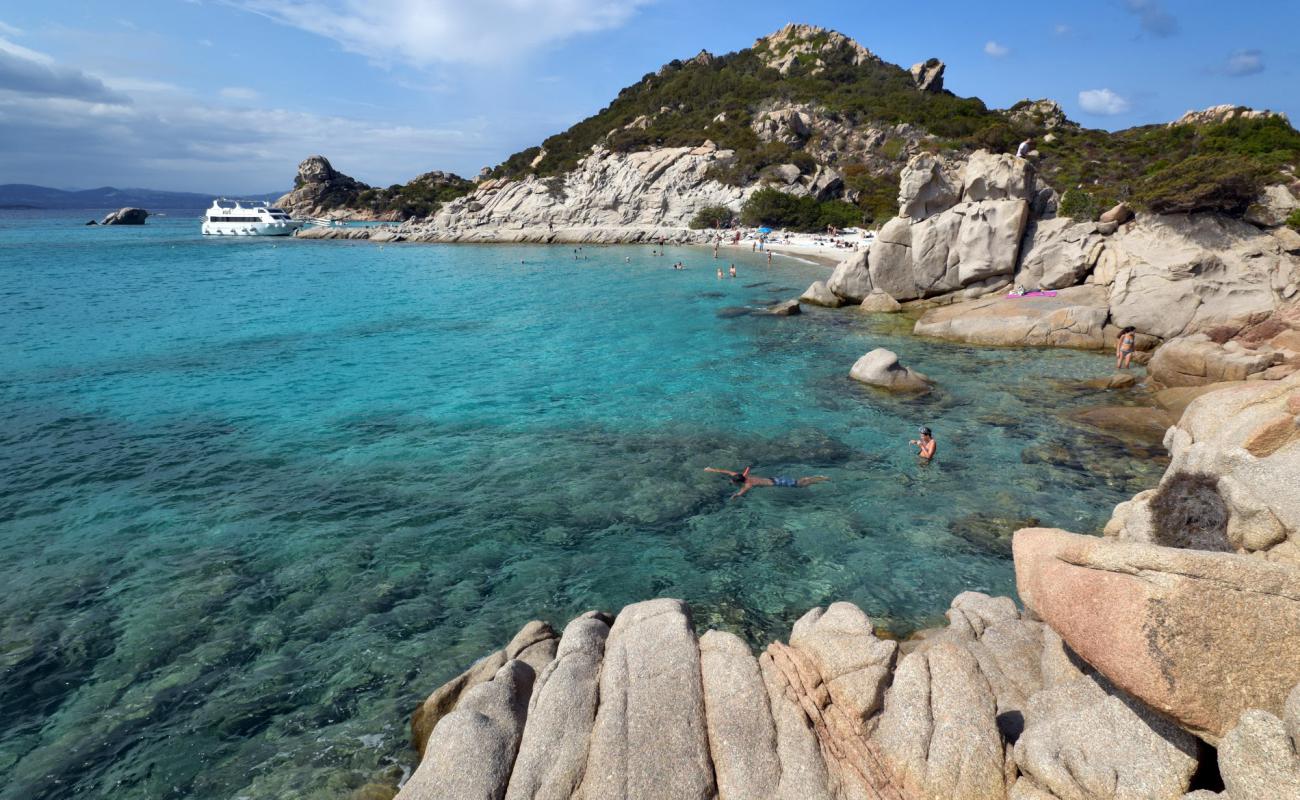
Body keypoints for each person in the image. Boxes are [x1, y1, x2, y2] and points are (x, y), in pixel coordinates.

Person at [705, 466, 829, 499]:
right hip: (774, 479)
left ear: (738, 481)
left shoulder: (748, 485)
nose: (731, 480)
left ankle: (821, 478)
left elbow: (741, 492)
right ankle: (814, 479)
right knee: (798, 482)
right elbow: (725, 471)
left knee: (800, 485)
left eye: (733, 481)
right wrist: (711, 470)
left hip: (777, 483)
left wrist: (735, 496)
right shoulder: (743, 476)